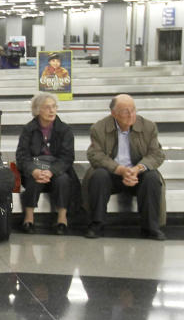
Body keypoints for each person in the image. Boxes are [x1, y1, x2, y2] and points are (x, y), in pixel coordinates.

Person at [84, 94, 166, 240]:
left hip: (138, 173)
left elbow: (156, 154)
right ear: (113, 113)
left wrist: (137, 169)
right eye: (125, 111)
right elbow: (95, 155)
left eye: (133, 110)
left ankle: (151, 227)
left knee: (152, 177)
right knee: (98, 175)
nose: (131, 114)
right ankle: (96, 224)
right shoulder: (98, 128)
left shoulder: (149, 126)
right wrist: (120, 170)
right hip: (112, 173)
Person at [15, 92, 79, 235]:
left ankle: (62, 219)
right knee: (34, 179)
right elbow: (22, 155)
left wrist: (51, 171)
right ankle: (28, 218)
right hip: (35, 166)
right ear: (37, 110)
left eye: (54, 107)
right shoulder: (28, 130)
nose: (52, 111)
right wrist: (34, 170)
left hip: (57, 168)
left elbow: (67, 157)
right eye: (47, 107)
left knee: (63, 180)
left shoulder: (65, 130)